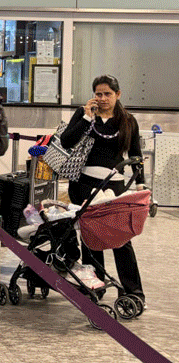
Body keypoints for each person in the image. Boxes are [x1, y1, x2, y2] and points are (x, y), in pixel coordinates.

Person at [60, 74, 146, 305]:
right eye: (98, 93)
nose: (102, 98)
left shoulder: (128, 121)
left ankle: (133, 291)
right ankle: (93, 288)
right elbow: (67, 141)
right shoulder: (84, 114)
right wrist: (87, 119)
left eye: (108, 94)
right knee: (90, 239)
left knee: (121, 238)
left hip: (113, 186)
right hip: (83, 184)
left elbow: (136, 155)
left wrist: (141, 185)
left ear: (118, 95)